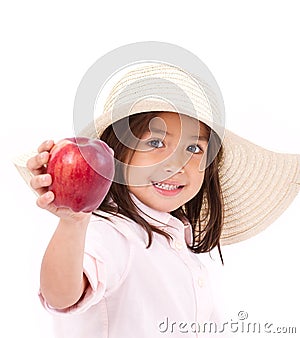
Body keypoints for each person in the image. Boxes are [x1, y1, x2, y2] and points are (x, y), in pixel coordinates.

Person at [14, 62, 300, 338]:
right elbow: (61, 295)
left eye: (193, 147)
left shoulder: (177, 240)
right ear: (114, 156)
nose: (176, 163)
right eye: (155, 142)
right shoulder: (110, 233)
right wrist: (74, 222)